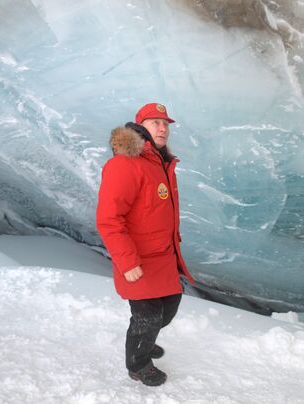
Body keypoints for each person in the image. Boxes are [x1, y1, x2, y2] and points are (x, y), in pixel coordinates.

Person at [96, 103, 195, 386]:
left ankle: (145, 339)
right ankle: (138, 364)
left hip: (163, 257)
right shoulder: (125, 164)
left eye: (166, 123)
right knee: (148, 316)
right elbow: (109, 219)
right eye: (155, 122)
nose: (163, 128)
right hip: (138, 259)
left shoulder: (162, 164)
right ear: (140, 127)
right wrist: (127, 262)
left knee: (169, 307)